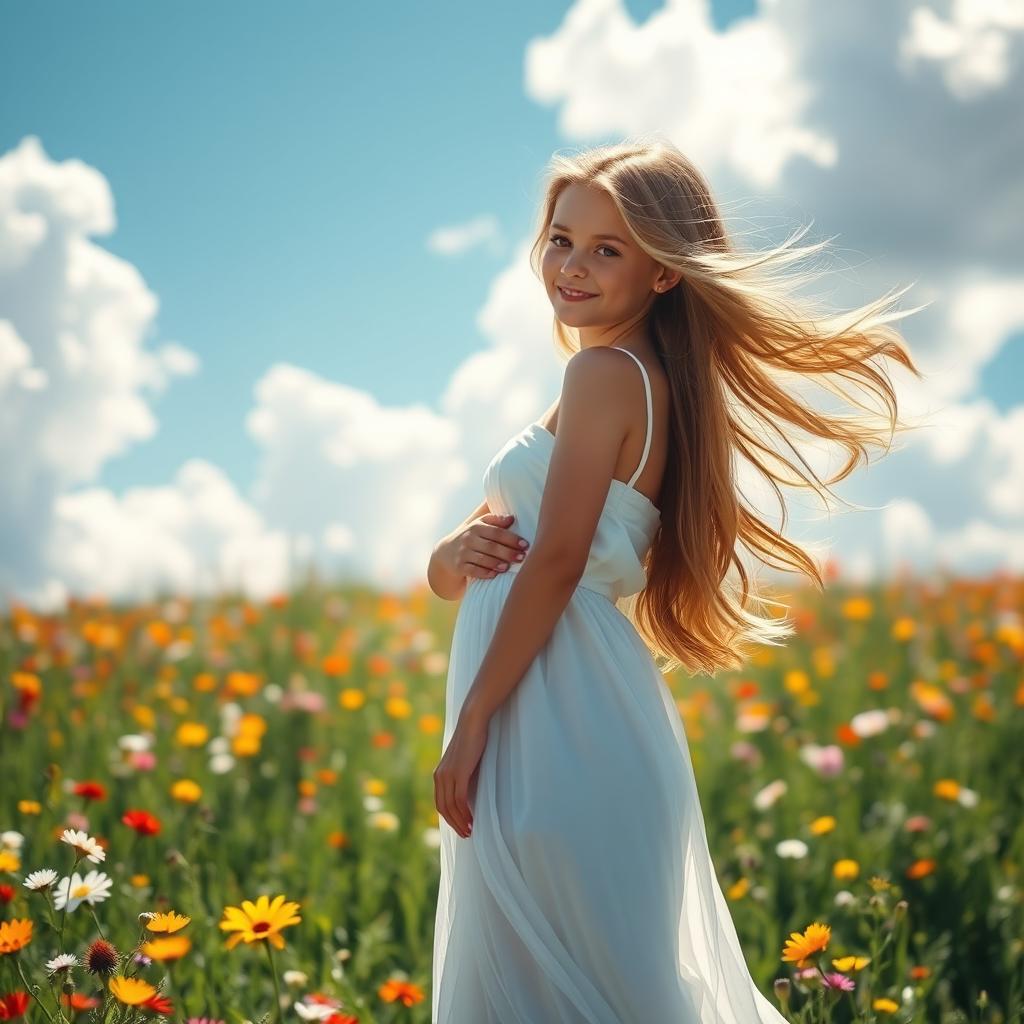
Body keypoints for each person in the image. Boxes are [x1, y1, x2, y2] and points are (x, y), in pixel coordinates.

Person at [426, 137, 924, 1023]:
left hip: (548, 713)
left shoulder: (605, 375)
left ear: (664, 273)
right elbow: (468, 554)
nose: (571, 266)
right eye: (561, 238)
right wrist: (449, 557)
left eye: (607, 249)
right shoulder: (615, 379)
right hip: (563, 703)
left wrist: (471, 725)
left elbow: (559, 562)